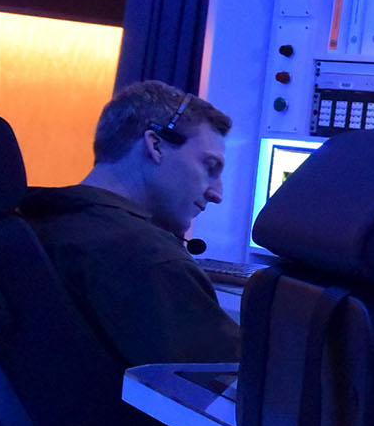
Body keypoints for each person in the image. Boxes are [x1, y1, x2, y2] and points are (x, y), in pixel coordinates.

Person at [19, 79, 240, 368]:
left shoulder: (33, 219)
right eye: (209, 168)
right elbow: (242, 388)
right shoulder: (149, 259)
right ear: (156, 145)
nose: (216, 193)